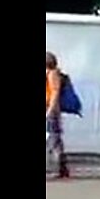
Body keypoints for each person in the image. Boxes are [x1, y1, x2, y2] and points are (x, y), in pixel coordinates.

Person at [45, 51, 70, 179]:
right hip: (50, 110)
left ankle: (57, 167)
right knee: (55, 139)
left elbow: (55, 92)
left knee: (53, 138)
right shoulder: (50, 73)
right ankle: (62, 168)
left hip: (51, 111)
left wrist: (50, 110)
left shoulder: (53, 74)